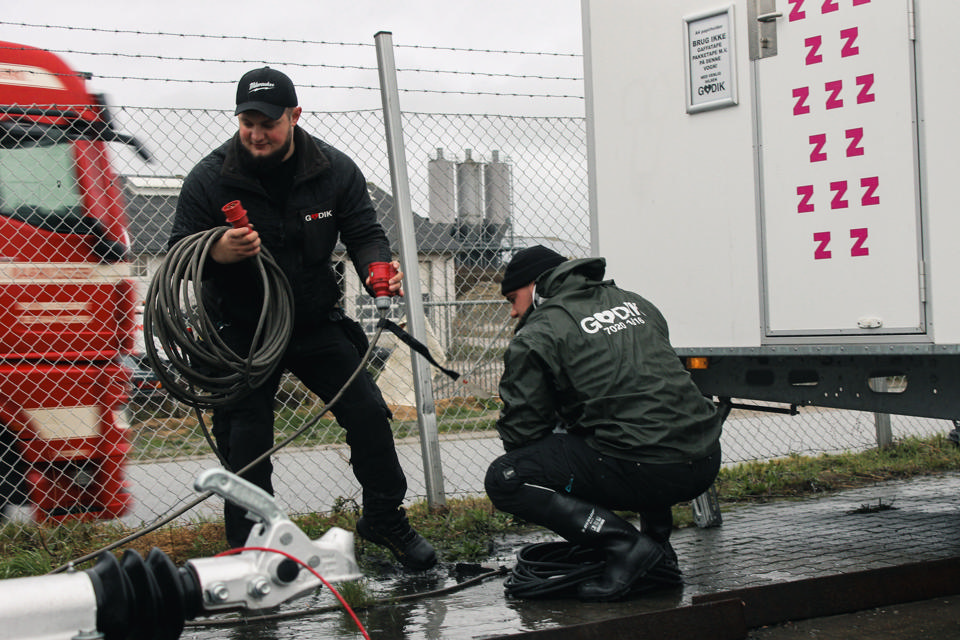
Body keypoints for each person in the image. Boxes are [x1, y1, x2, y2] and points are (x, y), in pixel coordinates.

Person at [169, 67, 436, 570]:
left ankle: (383, 518)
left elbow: (363, 231)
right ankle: (254, 553)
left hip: (314, 321)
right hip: (243, 332)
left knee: (368, 416)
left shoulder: (333, 170)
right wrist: (220, 251)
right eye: (247, 121)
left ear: (294, 116)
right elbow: (178, 254)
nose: (256, 133)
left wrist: (379, 267)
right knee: (246, 443)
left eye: (267, 122)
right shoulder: (210, 177)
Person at [485, 245, 722, 601]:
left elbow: (523, 432)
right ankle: (657, 546)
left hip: (649, 467)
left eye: (513, 298)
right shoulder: (634, 303)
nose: (512, 312)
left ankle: (627, 548)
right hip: (704, 460)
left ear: (536, 286)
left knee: (507, 478)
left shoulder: (540, 330)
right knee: (630, 426)